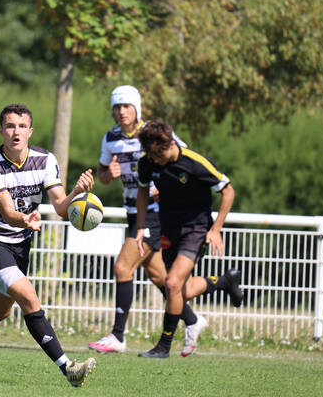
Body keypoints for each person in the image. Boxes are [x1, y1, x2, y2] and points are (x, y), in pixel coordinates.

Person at [0, 103, 97, 387]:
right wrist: (25, 220)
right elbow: (7, 213)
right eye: (10, 126)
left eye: (21, 126)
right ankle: (69, 369)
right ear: (1, 130)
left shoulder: (45, 159)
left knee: (0, 311)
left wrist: (77, 191)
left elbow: (62, 209)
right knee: (28, 296)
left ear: (30, 131)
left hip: (20, 243)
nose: (16, 132)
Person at [89, 85, 209, 357]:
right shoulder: (110, 138)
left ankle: (117, 336)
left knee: (122, 267)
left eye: (126, 106)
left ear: (137, 108)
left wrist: (165, 186)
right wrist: (110, 173)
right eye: (117, 107)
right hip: (133, 211)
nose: (121, 111)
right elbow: (103, 175)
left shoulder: (155, 133)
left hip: (156, 213)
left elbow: (183, 163)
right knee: (159, 276)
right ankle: (192, 320)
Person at [134, 119, 244, 358]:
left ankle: (163, 347)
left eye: (156, 155)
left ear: (170, 145)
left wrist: (215, 229)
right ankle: (225, 281)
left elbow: (228, 190)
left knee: (171, 284)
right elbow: (142, 192)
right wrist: (141, 226)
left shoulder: (195, 163)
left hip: (196, 229)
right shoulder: (147, 163)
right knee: (177, 289)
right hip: (168, 229)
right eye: (149, 155)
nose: (152, 160)